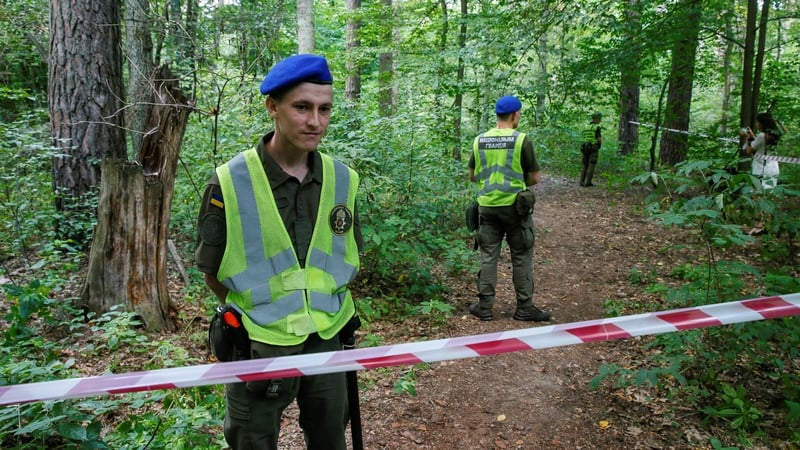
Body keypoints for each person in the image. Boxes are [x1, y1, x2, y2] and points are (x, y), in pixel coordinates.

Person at [195, 54, 363, 450]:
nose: (315, 122)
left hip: (328, 337)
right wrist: (260, 316)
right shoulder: (230, 181)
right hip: (257, 344)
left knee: (329, 441)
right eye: (302, 107)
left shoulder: (343, 179)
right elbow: (211, 270)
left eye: (324, 109)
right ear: (273, 107)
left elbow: (347, 258)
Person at [467, 95, 551, 322]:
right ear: (515, 115)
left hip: (487, 208)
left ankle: (484, 307)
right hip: (515, 209)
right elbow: (534, 177)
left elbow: (473, 176)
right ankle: (524, 308)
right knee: (521, 256)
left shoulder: (479, 140)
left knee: (488, 257)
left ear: (497, 115)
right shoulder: (521, 140)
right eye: (520, 113)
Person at [740, 112, 780, 189]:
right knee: (769, 193)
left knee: (759, 192)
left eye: (757, 122)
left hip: (762, 168)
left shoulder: (762, 135)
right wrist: (752, 135)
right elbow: (761, 145)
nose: (756, 124)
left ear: (762, 124)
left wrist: (748, 137)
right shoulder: (775, 135)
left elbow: (749, 150)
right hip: (773, 167)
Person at [579, 112, 603, 187]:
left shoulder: (586, 127)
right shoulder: (597, 127)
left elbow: (584, 137)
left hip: (585, 147)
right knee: (592, 164)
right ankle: (588, 182)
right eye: (599, 119)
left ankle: (581, 182)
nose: (600, 120)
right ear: (596, 119)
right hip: (593, 147)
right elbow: (599, 139)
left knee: (585, 164)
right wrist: (599, 145)